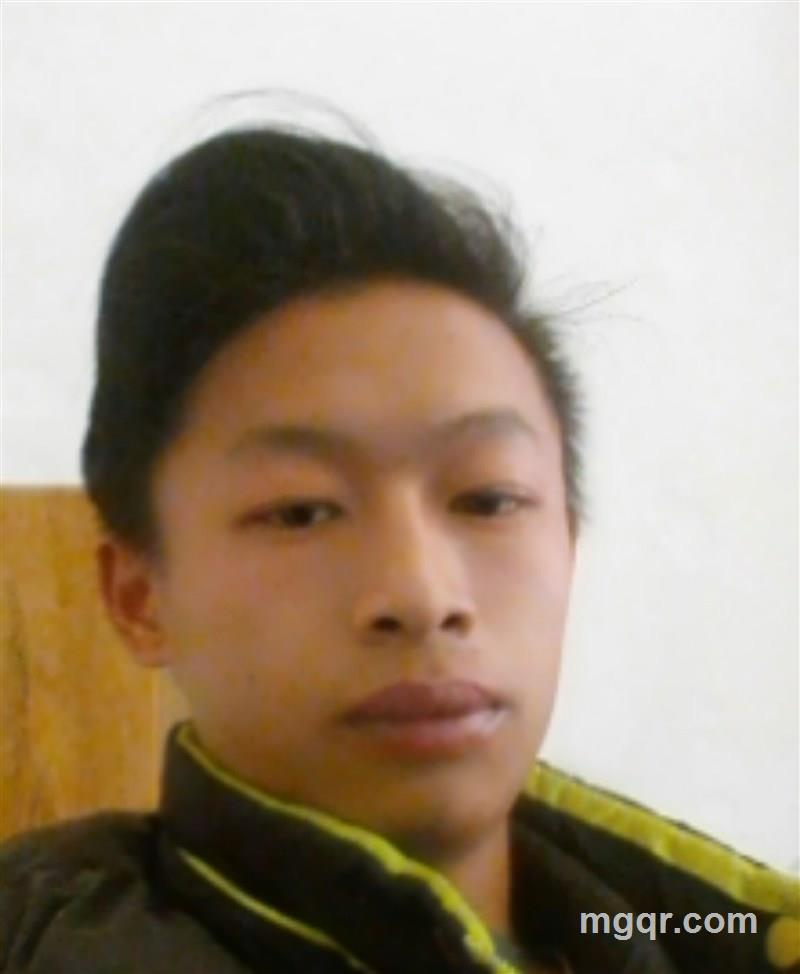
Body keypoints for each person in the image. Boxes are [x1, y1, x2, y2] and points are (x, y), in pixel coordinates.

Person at [0, 124, 796, 974]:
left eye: (488, 499)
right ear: (139, 596)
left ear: (569, 543)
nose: (422, 594)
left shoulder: (715, 938)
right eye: (301, 512)